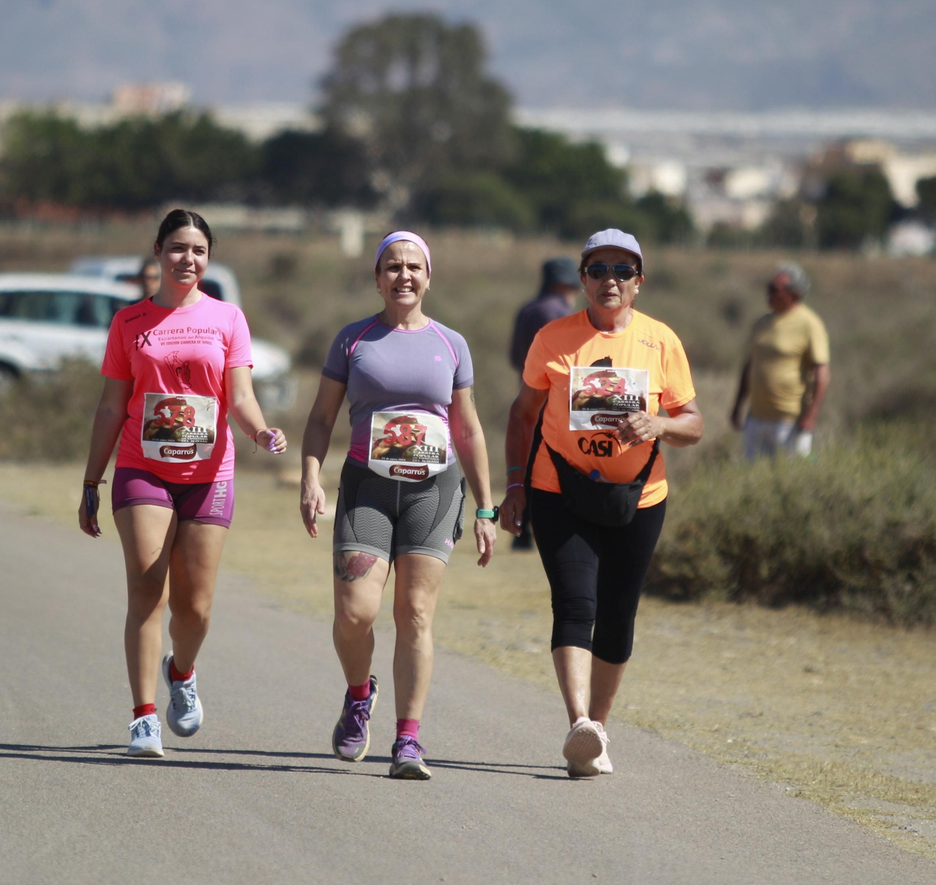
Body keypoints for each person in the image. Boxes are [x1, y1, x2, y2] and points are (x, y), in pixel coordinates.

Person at [77, 210, 287, 759]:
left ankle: (182, 670)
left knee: (195, 607)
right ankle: (143, 718)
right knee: (147, 587)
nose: (186, 259)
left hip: (208, 473)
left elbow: (239, 396)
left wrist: (261, 432)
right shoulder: (129, 323)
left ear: (208, 257)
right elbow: (109, 408)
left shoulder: (228, 318)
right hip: (141, 467)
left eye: (197, 250)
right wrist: (91, 480)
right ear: (157, 252)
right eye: (176, 248)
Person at [500, 229, 703, 778]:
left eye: (622, 271)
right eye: (597, 270)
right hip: (558, 487)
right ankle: (578, 726)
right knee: (574, 603)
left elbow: (693, 424)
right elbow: (522, 415)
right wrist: (516, 484)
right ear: (582, 279)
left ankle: (598, 730)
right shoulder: (554, 338)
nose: (608, 280)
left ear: (639, 282)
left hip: (638, 497)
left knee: (617, 616)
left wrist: (658, 422)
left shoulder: (662, 342)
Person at [299, 231, 498, 781]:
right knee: (355, 611)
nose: (404, 275)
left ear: (429, 276)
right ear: (377, 277)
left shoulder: (450, 343)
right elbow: (319, 419)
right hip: (367, 486)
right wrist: (310, 479)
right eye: (392, 266)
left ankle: (408, 740)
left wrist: (485, 508)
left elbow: (469, 429)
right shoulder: (353, 339)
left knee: (414, 613)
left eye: (414, 266)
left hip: (433, 492)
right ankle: (359, 695)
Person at [507, 256, 582, 550]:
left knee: (528, 460)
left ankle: (521, 530)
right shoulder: (559, 315)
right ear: (564, 285)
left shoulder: (527, 310)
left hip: (528, 398)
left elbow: (515, 357)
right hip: (556, 403)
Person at [729, 261, 830, 462]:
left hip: (789, 422)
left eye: (774, 289)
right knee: (753, 477)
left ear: (794, 293)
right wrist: (738, 405)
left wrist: (810, 416)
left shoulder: (809, 324)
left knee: (791, 476)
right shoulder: (762, 323)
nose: (769, 293)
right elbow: (749, 366)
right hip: (756, 419)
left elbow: (822, 374)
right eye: (769, 288)